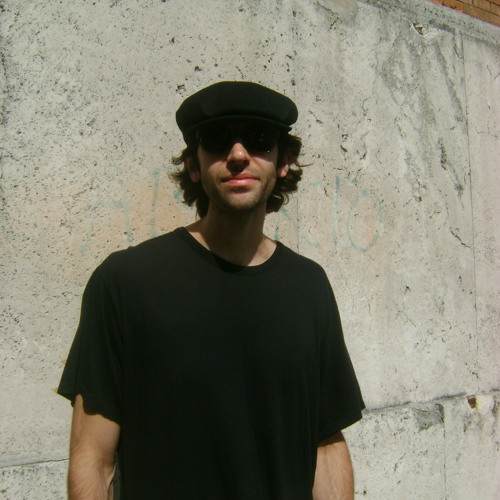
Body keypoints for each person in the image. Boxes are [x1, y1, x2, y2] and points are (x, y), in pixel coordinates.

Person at [58, 81, 365, 500]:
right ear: (193, 165)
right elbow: (93, 460)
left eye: (259, 138)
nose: (238, 154)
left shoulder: (309, 287)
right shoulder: (126, 282)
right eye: (218, 139)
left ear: (283, 162)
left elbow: (325, 444)